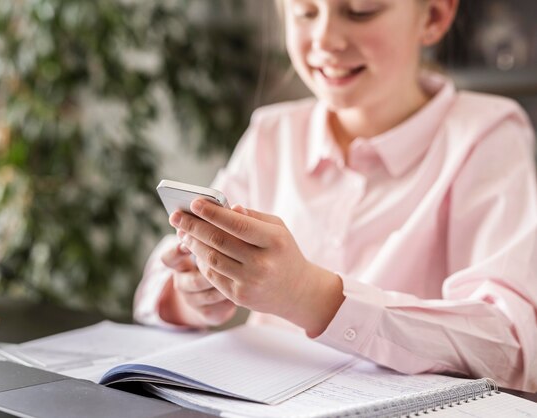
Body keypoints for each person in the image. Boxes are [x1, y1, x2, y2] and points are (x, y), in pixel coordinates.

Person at [134, 0, 537, 392]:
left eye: (360, 11)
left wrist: (311, 296)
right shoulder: (273, 133)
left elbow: (510, 348)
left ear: (433, 15)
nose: (325, 39)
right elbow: (156, 287)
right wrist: (196, 295)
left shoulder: (487, 136)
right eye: (306, 12)